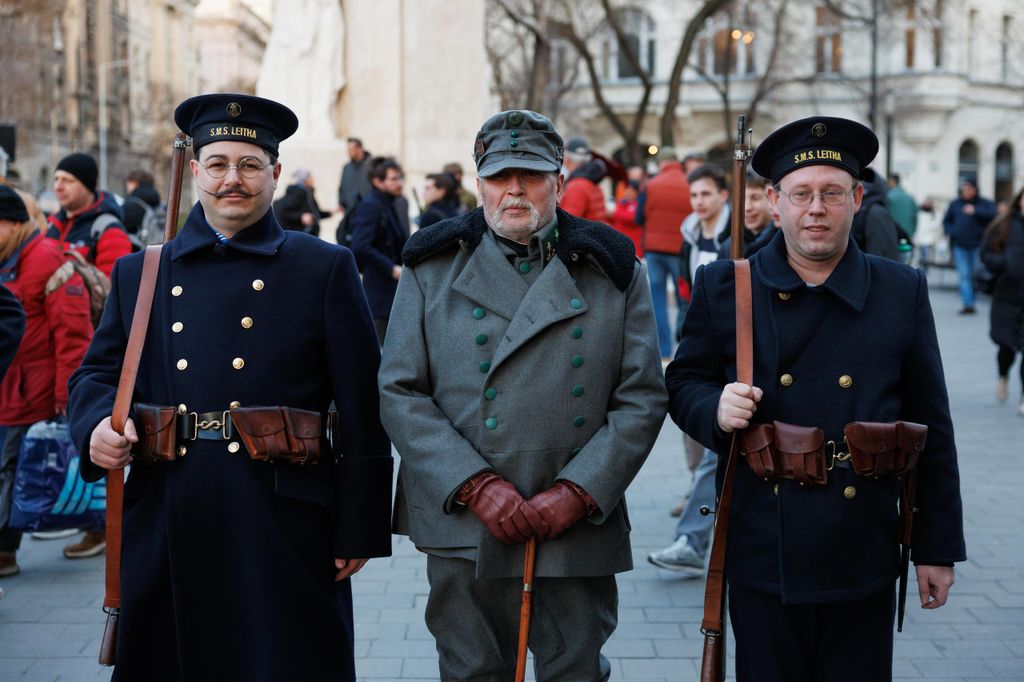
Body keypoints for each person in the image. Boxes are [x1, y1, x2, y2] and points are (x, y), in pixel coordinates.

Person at [66, 93, 393, 680]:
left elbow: (364, 406)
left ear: (274, 172)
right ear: (194, 172)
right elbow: (96, 374)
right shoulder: (142, 272)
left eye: (248, 165)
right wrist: (94, 427)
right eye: (217, 164)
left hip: (283, 518)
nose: (231, 180)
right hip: (169, 510)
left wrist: (359, 526)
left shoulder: (323, 266)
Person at [666, 116, 966, 681]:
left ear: (856, 198)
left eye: (832, 193)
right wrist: (714, 410)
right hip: (762, 550)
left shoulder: (900, 291)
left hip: (864, 550)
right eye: (801, 194)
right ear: (774, 202)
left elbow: (933, 426)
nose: (816, 209)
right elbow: (682, 384)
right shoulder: (727, 285)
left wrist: (936, 548)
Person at [379, 109, 667, 681]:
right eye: (500, 176)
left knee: (574, 671)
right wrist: (475, 484)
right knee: (472, 670)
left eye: (533, 176)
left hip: (575, 516)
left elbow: (641, 396)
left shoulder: (612, 268)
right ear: (479, 183)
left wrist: (579, 492)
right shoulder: (429, 267)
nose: (516, 190)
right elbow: (399, 389)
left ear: (559, 182)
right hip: (465, 516)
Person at [0, 185, 92, 578]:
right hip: (11, 388)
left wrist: (65, 394)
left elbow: (73, 333)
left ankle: (5, 550)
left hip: (32, 390)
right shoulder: (9, 256)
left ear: (13, 223)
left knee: (14, 469)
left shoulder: (45, 258)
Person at [637, 146, 692, 360]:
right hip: (679, 250)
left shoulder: (651, 184)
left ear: (661, 163)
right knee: (682, 300)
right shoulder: (689, 183)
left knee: (658, 301)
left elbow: (639, 217)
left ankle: (664, 353)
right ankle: (686, 351)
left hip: (654, 250)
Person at [349, 156, 408, 343]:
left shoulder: (388, 203)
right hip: (379, 290)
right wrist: (391, 268)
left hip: (390, 290)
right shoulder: (371, 204)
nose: (400, 183)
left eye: (400, 178)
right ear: (378, 181)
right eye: (394, 179)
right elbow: (360, 245)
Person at [46, 152, 132, 278]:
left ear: (88, 185)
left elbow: (113, 290)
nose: (58, 187)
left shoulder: (109, 230)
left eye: (68, 180)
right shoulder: (51, 223)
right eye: (56, 179)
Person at [980, 187, 1024, 415]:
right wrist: (1004, 263)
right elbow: (986, 253)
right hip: (1007, 295)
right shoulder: (1004, 224)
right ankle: (1003, 376)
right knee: (1006, 346)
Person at [943, 177, 997, 314]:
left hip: (977, 245)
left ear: (975, 190)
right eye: (964, 188)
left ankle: (972, 297)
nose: (966, 191)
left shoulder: (984, 204)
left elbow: (994, 215)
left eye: (969, 189)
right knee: (964, 275)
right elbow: (946, 221)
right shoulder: (955, 204)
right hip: (960, 245)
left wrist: (975, 211)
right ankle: (968, 304)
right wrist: (952, 232)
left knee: (975, 274)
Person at [680, 166, 731, 292]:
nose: (699, 202)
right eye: (694, 195)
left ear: (723, 195)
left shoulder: (737, 234)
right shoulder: (689, 236)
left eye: (706, 194)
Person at [719, 172, 779, 259]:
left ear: (771, 198)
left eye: (755, 198)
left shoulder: (784, 243)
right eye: (741, 198)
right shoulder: (729, 247)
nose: (747, 207)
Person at [273, 168, 330, 236]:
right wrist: (301, 217)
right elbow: (283, 211)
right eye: (310, 177)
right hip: (301, 235)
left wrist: (330, 213)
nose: (313, 179)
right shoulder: (298, 194)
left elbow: (315, 214)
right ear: (305, 180)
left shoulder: (308, 194)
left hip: (310, 235)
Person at [560, 157, 611, 224]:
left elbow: (568, 219)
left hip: (585, 232)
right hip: (596, 231)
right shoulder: (594, 186)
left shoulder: (577, 186)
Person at [337, 136, 373, 215]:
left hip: (367, 211)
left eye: (351, 149)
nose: (348, 152)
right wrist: (341, 202)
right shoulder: (347, 167)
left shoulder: (371, 166)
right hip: (349, 212)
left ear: (360, 149)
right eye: (348, 149)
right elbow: (342, 187)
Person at [121, 169, 162, 237]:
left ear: (135, 182)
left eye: (129, 181)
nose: (127, 185)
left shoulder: (131, 205)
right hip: (157, 244)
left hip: (137, 246)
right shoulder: (157, 200)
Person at [610, 179, 642, 256]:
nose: (627, 193)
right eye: (626, 190)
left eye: (630, 191)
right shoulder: (620, 203)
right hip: (618, 243)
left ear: (636, 193)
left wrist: (614, 213)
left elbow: (632, 218)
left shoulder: (638, 205)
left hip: (634, 245)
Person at [887, 173, 918, 239]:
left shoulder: (888, 197)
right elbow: (915, 218)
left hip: (893, 235)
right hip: (908, 234)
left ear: (891, 181)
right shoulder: (910, 198)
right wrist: (912, 232)